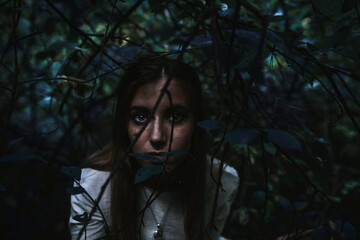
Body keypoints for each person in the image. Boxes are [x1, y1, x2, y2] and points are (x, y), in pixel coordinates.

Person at [69, 56, 239, 240]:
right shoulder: (92, 187)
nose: (157, 136)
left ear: (197, 123)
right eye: (140, 117)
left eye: (175, 117)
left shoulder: (220, 182)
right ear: (123, 125)